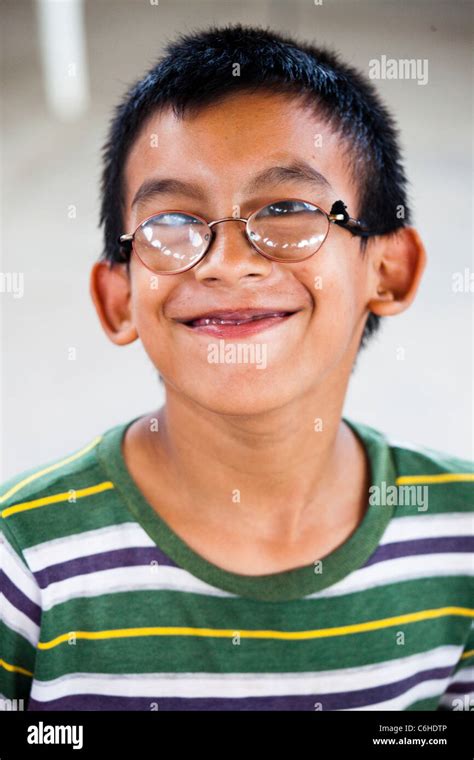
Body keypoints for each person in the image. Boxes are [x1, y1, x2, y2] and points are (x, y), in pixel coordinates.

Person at [1, 24, 472, 712]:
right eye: (171, 223)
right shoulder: (22, 561)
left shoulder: (460, 539)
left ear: (388, 271)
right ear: (118, 298)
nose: (226, 261)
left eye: (287, 211)